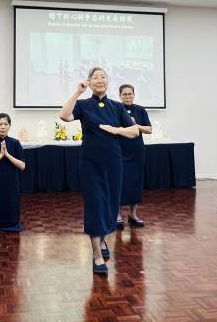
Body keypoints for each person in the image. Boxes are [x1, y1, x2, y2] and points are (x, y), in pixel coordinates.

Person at [59, 67, 138, 275]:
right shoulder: (84, 105)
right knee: (95, 205)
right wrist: (77, 92)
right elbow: (64, 116)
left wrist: (118, 130)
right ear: (89, 82)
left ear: (108, 81)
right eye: (95, 77)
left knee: (110, 205)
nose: (100, 80)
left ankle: (102, 240)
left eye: (103, 77)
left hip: (113, 163)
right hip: (90, 163)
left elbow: (134, 131)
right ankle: (96, 255)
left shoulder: (117, 106)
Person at [116, 84, 152, 228]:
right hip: (120, 151)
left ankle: (133, 215)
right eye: (124, 94)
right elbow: (113, 129)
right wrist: (126, 127)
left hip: (137, 152)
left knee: (136, 183)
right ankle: (117, 215)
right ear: (120, 96)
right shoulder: (116, 109)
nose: (127, 96)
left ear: (134, 94)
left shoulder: (140, 110)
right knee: (120, 182)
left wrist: (136, 125)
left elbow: (149, 129)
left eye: (130, 94)